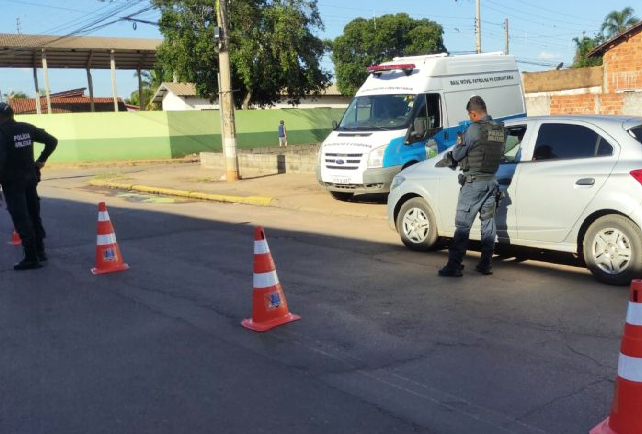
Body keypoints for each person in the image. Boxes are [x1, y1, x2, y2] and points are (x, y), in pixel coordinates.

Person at [437, 96, 505, 277]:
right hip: (492, 182)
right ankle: (485, 264)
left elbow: (458, 154)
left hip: (474, 183)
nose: (470, 118)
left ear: (474, 113)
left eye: (470, 115)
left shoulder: (473, 130)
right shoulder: (499, 129)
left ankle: (454, 266)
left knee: (462, 225)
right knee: (488, 223)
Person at [0, 102, 57, 270]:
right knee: (33, 214)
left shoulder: (2, 133)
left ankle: (31, 257)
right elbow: (52, 141)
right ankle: (40, 251)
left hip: (12, 182)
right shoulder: (27, 128)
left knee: (21, 217)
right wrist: (41, 160)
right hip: (30, 179)